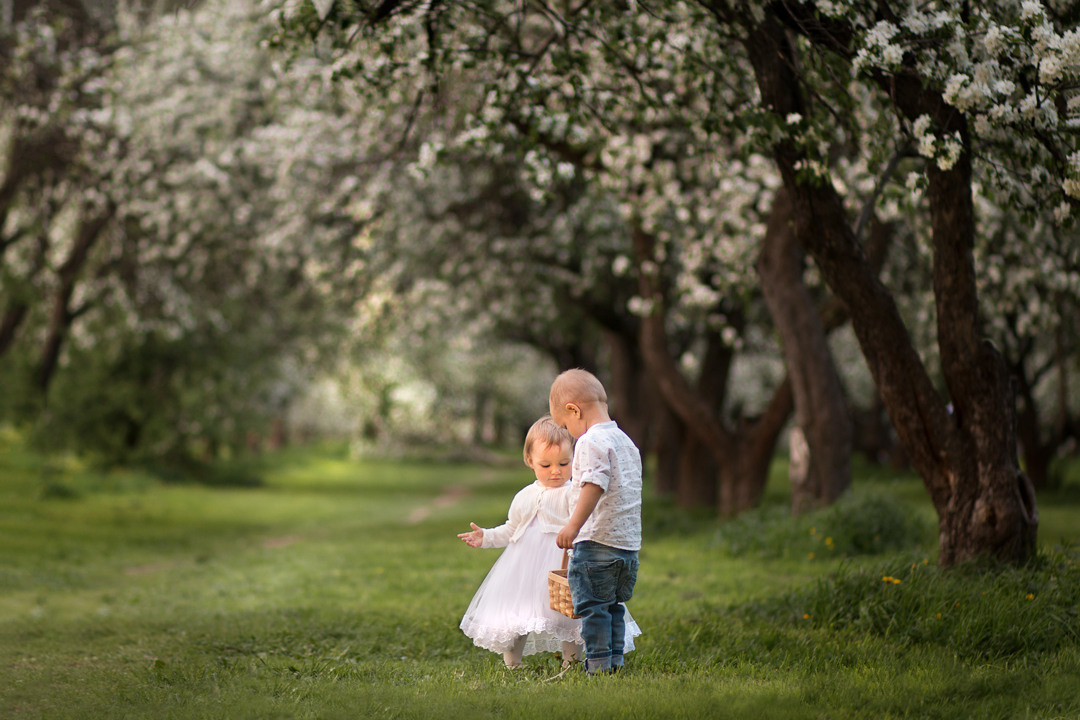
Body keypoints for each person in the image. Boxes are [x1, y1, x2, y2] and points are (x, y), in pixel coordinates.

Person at [457, 415, 639, 669]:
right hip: (523, 567)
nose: (555, 471)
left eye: (564, 463)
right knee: (516, 614)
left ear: (574, 460)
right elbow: (512, 528)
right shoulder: (524, 495)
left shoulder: (574, 492)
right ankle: (513, 663)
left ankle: (571, 662)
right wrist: (486, 537)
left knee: (570, 615)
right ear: (530, 461)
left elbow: (585, 522)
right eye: (546, 465)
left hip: (562, 563)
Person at [551, 369, 642, 675]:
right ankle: (615, 661)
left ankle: (599, 667)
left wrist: (572, 526)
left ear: (573, 410)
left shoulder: (591, 441)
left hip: (597, 542)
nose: (570, 433)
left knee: (593, 608)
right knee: (613, 607)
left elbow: (593, 484)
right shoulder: (625, 441)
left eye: (566, 425)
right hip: (627, 547)